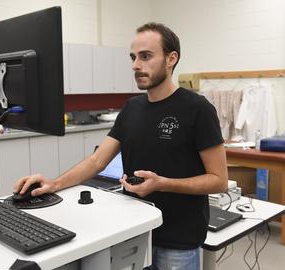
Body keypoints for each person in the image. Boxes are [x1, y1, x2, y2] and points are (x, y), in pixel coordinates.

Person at [14, 22, 228, 270]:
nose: (136, 65)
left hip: (177, 240)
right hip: (133, 230)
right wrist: (55, 183)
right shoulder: (131, 108)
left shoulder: (197, 109)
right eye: (133, 57)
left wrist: (163, 183)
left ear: (171, 59)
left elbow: (218, 180)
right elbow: (97, 161)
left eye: (146, 56)